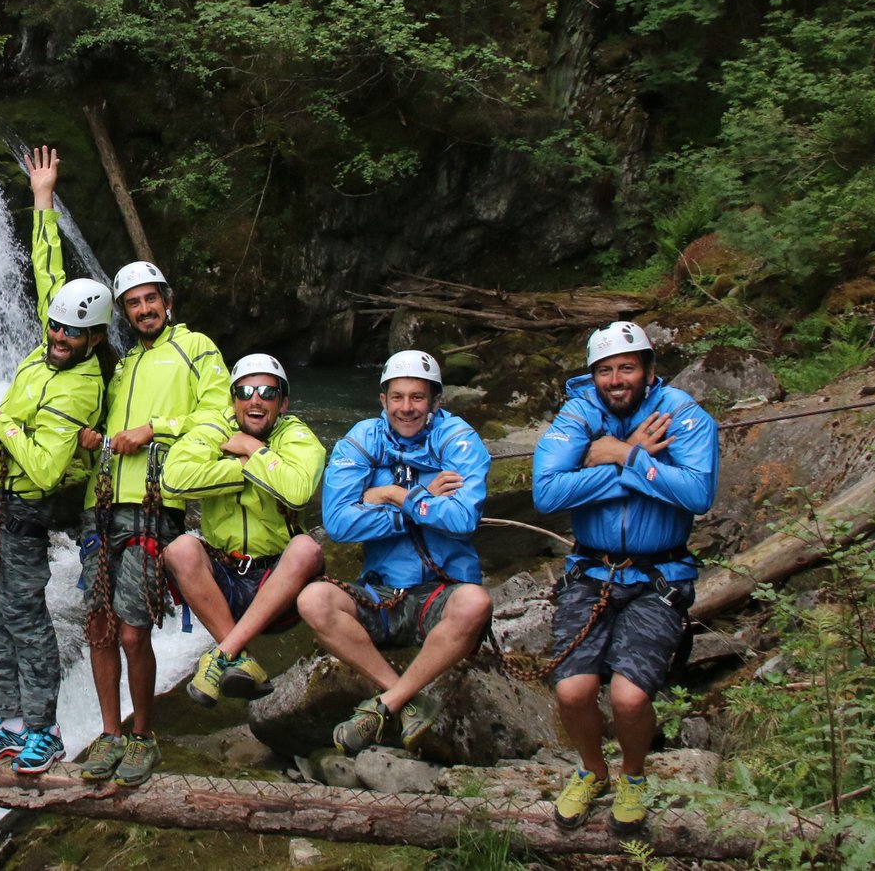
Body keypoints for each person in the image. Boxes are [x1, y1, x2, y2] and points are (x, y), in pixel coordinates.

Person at [0, 146, 109, 775]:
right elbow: (50, 276)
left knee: (24, 614)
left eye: (70, 334)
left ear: (95, 338)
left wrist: (5, 421)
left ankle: (42, 729)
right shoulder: (50, 340)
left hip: (25, 506)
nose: (57, 338)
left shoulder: (84, 385)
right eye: (53, 329)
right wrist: (42, 198)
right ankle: (2, 721)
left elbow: (47, 468)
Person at [533, 321, 717, 836]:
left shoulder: (684, 416)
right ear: (593, 376)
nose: (616, 379)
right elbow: (546, 494)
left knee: (630, 698)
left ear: (649, 371)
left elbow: (697, 493)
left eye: (627, 368)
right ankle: (592, 770)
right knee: (572, 692)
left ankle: (633, 776)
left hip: (659, 575)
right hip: (590, 573)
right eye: (606, 370)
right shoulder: (577, 414)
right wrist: (632, 459)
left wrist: (619, 454)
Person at [79, 258, 231, 788]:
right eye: (134, 302)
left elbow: (219, 416)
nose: (144, 309)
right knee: (98, 625)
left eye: (151, 299)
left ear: (167, 300)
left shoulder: (197, 349)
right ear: (123, 311)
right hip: (99, 508)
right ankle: (109, 733)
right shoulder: (119, 366)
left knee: (132, 627)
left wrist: (154, 429)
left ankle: (143, 734)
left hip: (154, 505)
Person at [299, 350, 493, 756]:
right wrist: (417, 505)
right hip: (383, 592)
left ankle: (385, 705)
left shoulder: (458, 439)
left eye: (418, 398)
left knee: (476, 603)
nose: (407, 408)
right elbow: (338, 522)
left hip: (445, 588)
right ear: (382, 400)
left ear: (436, 401)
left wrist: (389, 495)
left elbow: (462, 520)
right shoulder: (361, 439)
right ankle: (407, 697)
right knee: (313, 599)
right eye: (398, 397)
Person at [160, 354, 326, 708]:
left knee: (307, 548)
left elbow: (297, 490)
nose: (255, 399)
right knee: (180, 549)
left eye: (267, 392)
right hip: (226, 576)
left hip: (278, 576)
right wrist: (242, 469)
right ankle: (238, 658)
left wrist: (254, 449)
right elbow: (173, 481)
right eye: (245, 391)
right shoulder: (213, 428)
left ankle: (221, 656)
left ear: (283, 403)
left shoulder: (296, 435)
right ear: (233, 399)